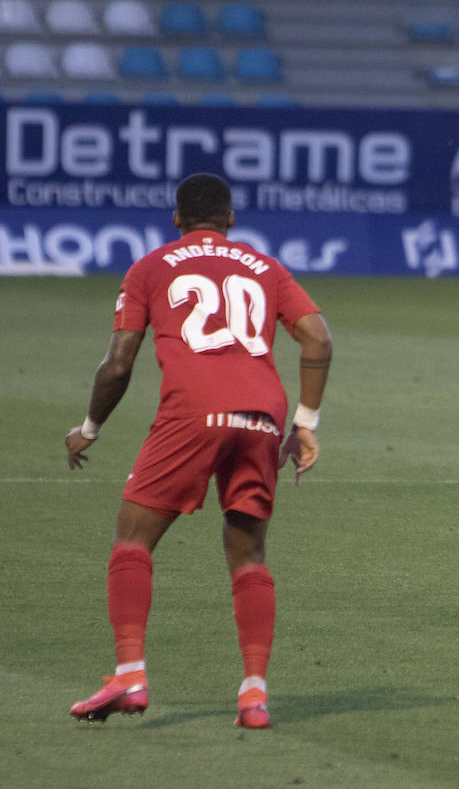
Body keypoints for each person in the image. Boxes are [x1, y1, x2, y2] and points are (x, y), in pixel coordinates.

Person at [65, 173, 333, 727]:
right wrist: (305, 423)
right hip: (262, 415)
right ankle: (254, 694)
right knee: (249, 555)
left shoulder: (151, 267)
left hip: (192, 412)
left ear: (176, 219)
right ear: (231, 218)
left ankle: (129, 674)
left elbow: (118, 363)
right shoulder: (265, 267)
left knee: (133, 542)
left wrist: (90, 426)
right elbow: (318, 338)